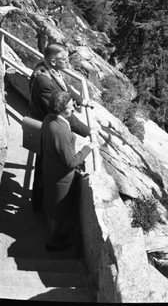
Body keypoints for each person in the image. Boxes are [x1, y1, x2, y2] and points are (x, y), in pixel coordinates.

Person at [27, 42, 97, 213]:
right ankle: (39, 207)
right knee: (43, 168)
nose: (67, 63)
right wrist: (88, 132)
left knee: (45, 165)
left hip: (48, 123)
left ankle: (43, 204)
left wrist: (82, 101)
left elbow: (63, 90)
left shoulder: (48, 70)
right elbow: (63, 110)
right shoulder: (43, 81)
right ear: (52, 61)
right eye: (64, 60)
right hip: (47, 127)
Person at [41, 91, 105, 251]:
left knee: (52, 205)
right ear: (62, 110)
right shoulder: (61, 132)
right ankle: (52, 241)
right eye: (70, 106)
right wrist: (88, 147)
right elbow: (71, 161)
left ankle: (51, 234)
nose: (74, 108)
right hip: (61, 177)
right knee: (58, 211)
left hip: (49, 168)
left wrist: (87, 131)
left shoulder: (49, 118)